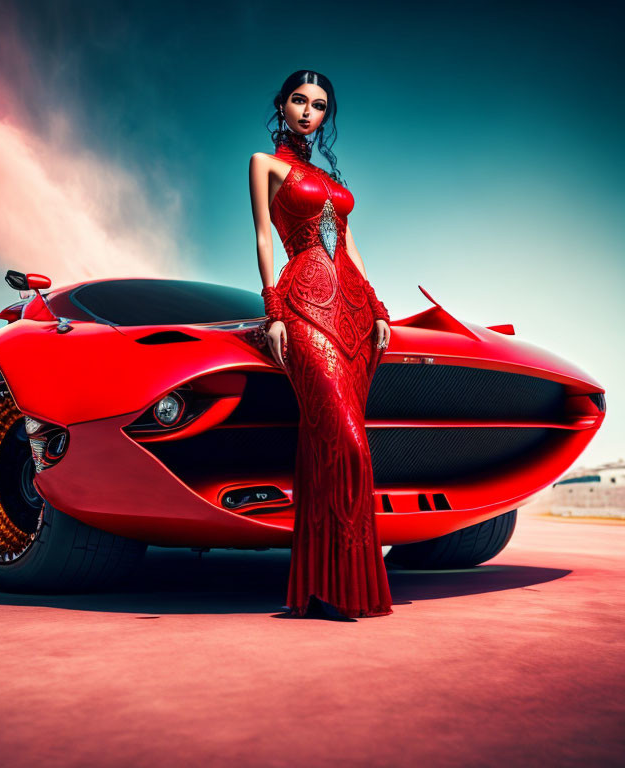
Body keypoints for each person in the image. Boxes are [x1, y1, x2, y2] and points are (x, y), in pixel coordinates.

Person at [248, 70, 393, 620]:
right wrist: (273, 309)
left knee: (327, 447)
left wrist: (378, 306)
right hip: (304, 303)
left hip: (354, 312)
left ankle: (326, 588)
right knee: (345, 441)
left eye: (320, 105)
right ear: (282, 105)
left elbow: (352, 246)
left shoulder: (330, 178)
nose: (310, 111)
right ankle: (338, 580)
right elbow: (265, 237)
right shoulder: (265, 165)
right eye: (300, 101)